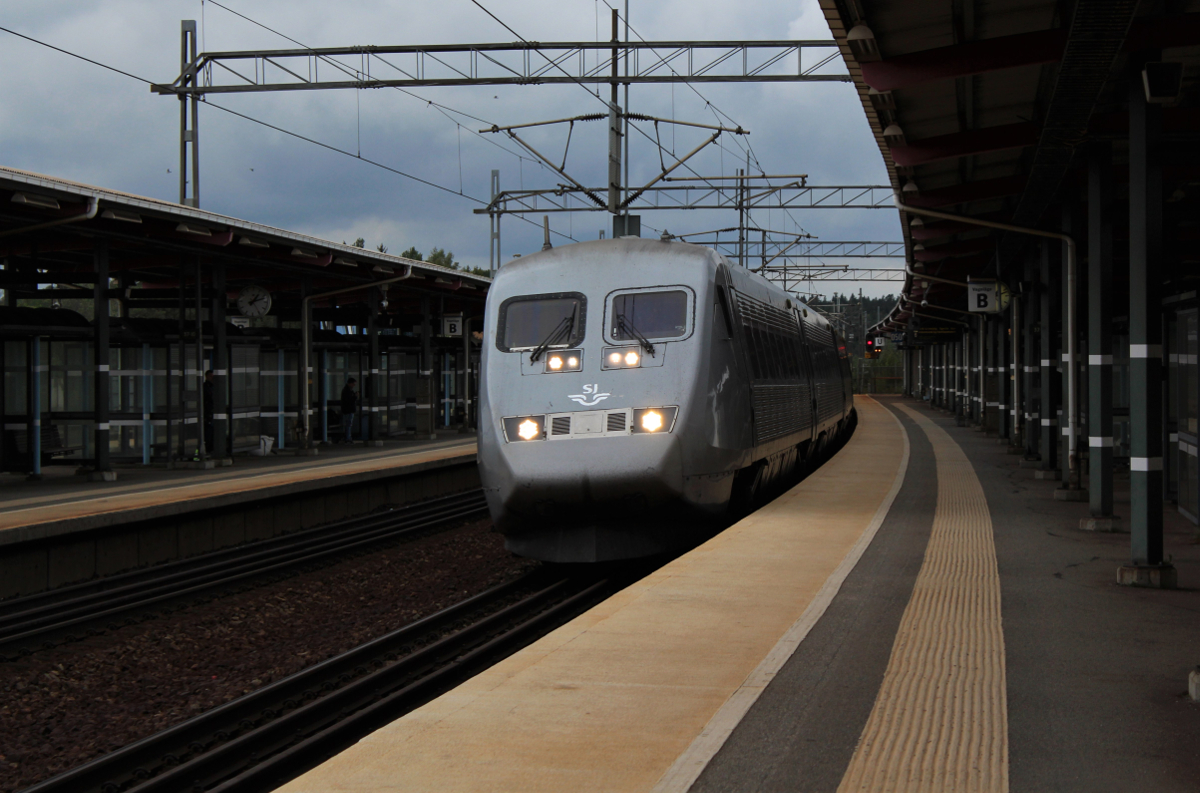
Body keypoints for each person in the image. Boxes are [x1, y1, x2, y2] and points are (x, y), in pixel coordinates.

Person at [340, 377, 359, 443]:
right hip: (348, 410)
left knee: (347, 425)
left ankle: (347, 437)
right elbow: (349, 400)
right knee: (348, 425)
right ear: (350, 383)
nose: (354, 385)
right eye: (353, 384)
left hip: (347, 410)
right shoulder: (347, 391)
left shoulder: (347, 390)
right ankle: (348, 438)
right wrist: (355, 396)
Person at [202, 370, 215, 455]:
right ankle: (208, 449)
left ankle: (211, 448)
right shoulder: (205, 387)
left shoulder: (215, 386)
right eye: (210, 376)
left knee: (213, 432)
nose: (212, 378)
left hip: (213, 413)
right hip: (207, 413)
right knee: (208, 432)